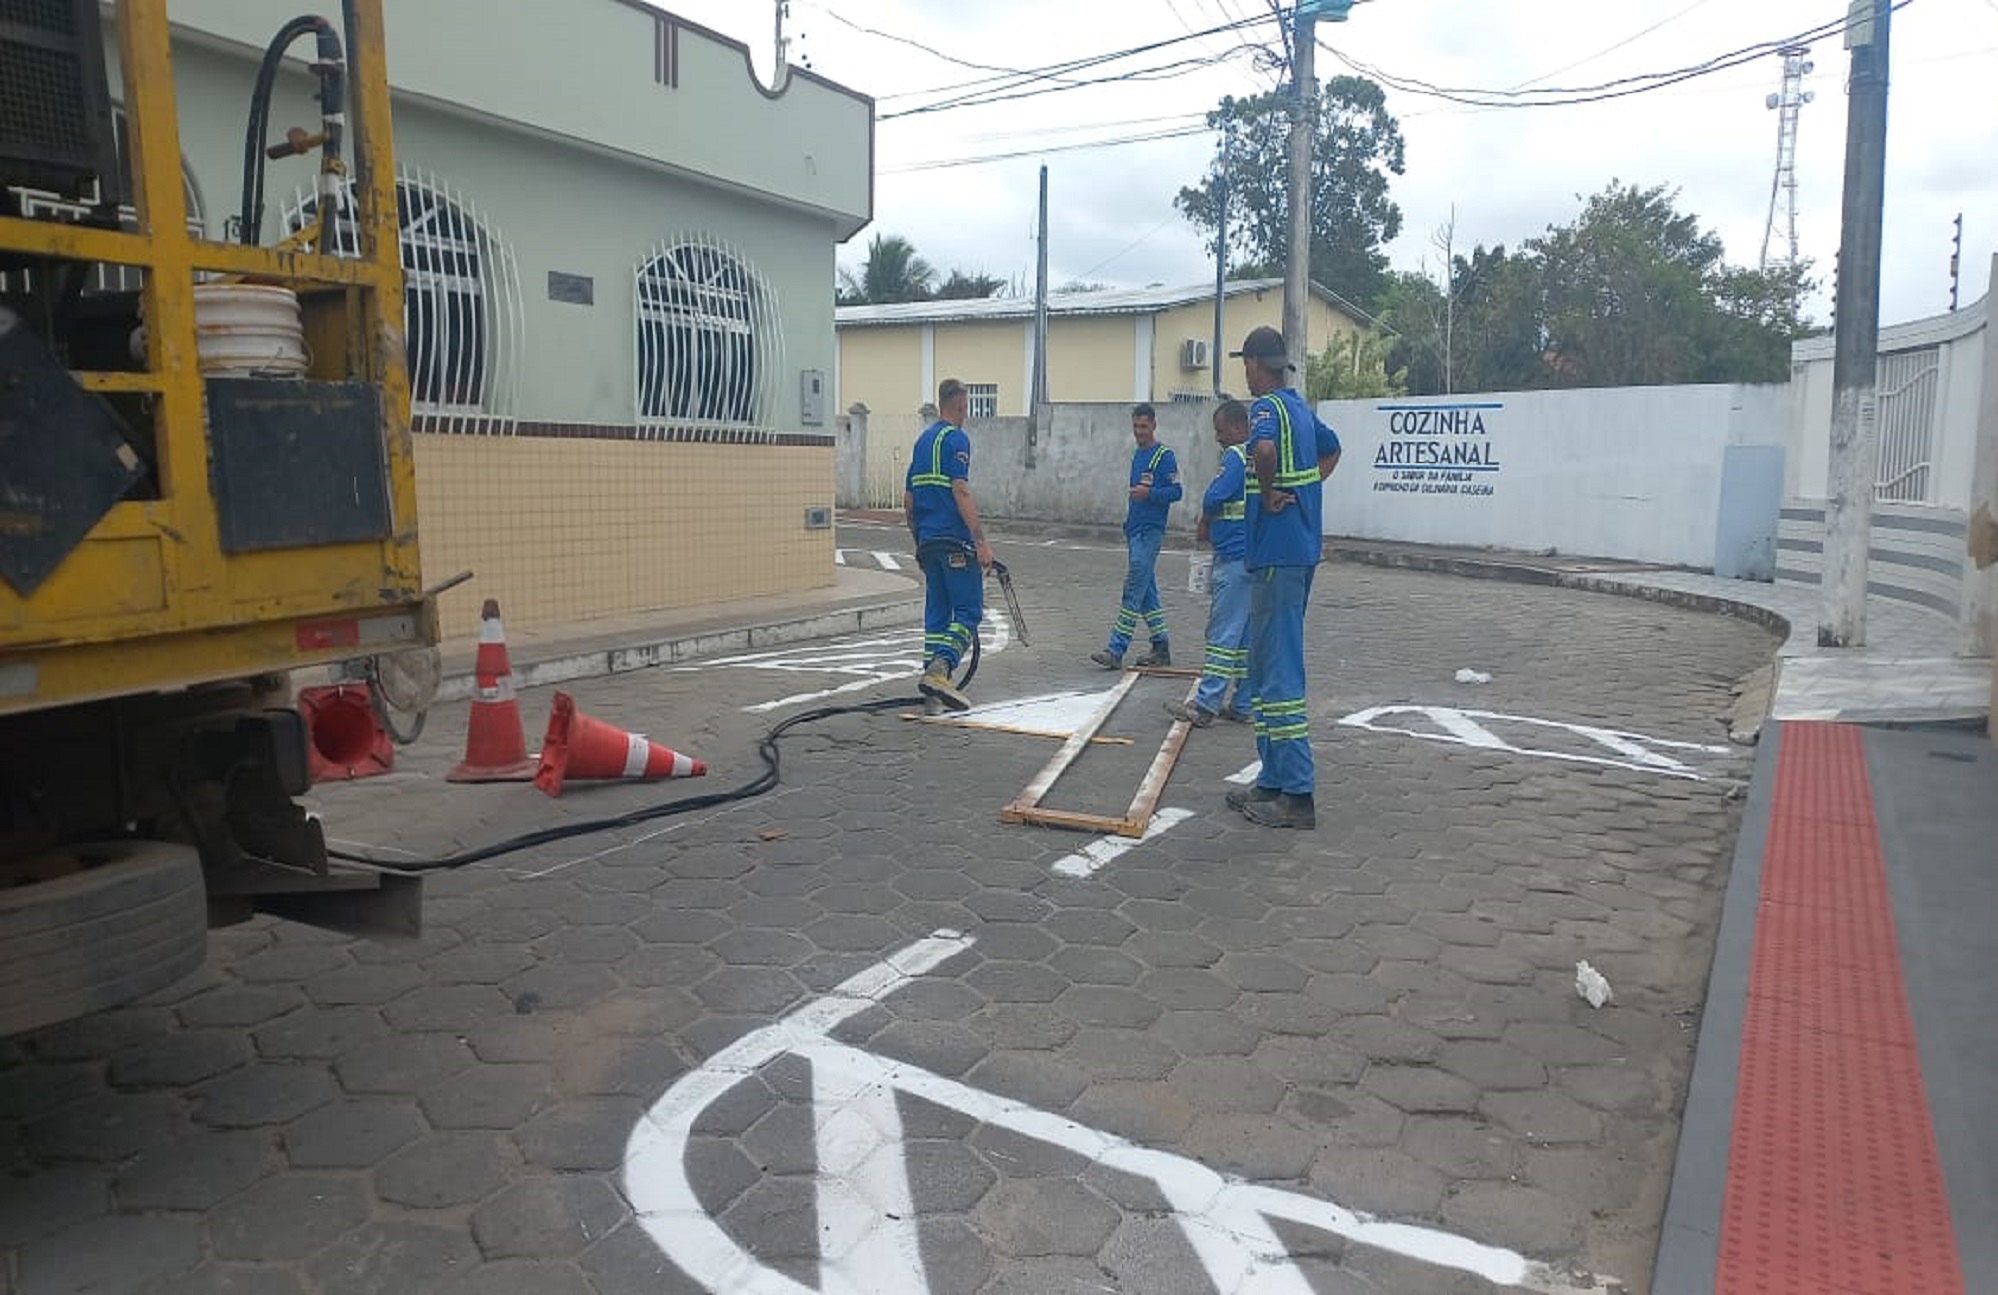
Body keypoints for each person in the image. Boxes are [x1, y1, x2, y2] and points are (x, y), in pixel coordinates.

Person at [1225, 327, 1341, 829]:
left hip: (1277, 553)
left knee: (1280, 669)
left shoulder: (1268, 410)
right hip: (1296, 552)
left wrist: (1272, 495)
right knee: (1265, 666)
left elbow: (1265, 453)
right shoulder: (1301, 408)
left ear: (1255, 363)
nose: (1245, 375)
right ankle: (1272, 780)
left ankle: (1297, 793)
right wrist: (1307, 489)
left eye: (1245, 365)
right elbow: (1333, 451)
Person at [905, 379, 993, 713]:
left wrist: (919, 545)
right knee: (969, 611)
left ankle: (932, 697)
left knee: (938, 616)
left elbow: (908, 501)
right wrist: (981, 543)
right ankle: (941, 669)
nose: (966, 414)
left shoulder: (922, 442)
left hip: (929, 542)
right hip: (954, 541)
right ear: (959, 406)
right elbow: (961, 490)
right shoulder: (956, 439)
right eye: (965, 408)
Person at [1164, 400, 1254, 728]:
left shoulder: (1236, 457)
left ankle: (1205, 704)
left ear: (1237, 427)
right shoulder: (1258, 456)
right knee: (1245, 638)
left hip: (1232, 555)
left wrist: (1205, 519)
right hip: (1252, 556)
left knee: (1222, 634)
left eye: (1220, 430)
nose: (1218, 437)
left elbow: (1217, 496)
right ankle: (1243, 703)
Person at [1090, 403, 1183, 670]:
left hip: (1151, 533)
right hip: (1134, 532)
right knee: (1146, 594)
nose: (1139, 432)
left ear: (1154, 425)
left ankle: (1116, 648)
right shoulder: (1137, 455)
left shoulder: (1164, 456)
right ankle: (1161, 646)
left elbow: (1177, 492)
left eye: (1143, 426)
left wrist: (1150, 495)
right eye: (1135, 427)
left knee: (1132, 590)